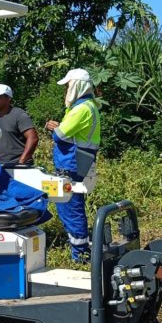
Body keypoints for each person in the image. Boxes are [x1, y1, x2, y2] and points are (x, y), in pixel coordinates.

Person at [46, 68, 102, 263]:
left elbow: (60, 135)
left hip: (72, 164)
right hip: (79, 162)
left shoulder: (82, 109)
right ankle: (81, 250)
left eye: (68, 86)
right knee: (69, 205)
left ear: (76, 85)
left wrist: (55, 128)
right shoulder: (87, 106)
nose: (65, 90)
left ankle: (80, 255)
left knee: (70, 207)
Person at [0, 84, 38, 166]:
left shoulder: (19, 115)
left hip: (18, 167)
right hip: (0, 166)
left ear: (9, 98)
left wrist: (21, 161)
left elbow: (33, 138)